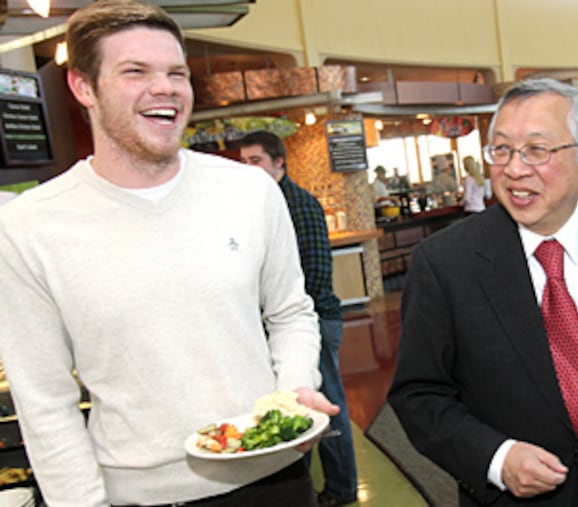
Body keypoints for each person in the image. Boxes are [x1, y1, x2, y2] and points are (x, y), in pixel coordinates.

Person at [0, 1, 338, 505]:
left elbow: (290, 312)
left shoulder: (249, 191)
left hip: (275, 481)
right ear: (84, 87)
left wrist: (290, 398)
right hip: (140, 494)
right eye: (135, 71)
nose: (165, 88)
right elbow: (45, 401)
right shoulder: (30, 224)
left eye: (176, 72)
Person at [387, 78, 578, 507]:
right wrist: (496, 459)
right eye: (501, 150)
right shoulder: (444, 263)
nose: (515, 169)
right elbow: (418, 395)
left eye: (537, 150)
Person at [239, 131, 358, 507]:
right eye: (243, 162)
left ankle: (341, 489)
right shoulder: (259, 204)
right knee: (297, 406)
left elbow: (314, 278)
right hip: (286, 326)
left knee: (326, 408)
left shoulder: (298, 204)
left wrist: (290, 319)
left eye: (255, 160)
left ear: (279, 162)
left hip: (316, 321)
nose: (249, 169)